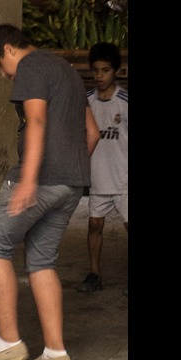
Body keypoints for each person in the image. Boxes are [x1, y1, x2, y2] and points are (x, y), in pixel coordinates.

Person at [0, 24, 99, 360]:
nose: (2, 73)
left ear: (11, 49)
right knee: (42, 260)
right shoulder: (67, 71)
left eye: (0, 63)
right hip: (72, 183)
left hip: (40, 179)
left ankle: (8, 343)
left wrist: (29, 180)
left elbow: (37, 120)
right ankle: (56, 352)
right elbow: (93, 132)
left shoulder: (30, 67)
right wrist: (71, 171)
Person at [76, 42, 128, 294]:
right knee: (94, 225)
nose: (99, 76)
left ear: (116, 71)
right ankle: (94, 274)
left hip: (124, 179)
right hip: (98, 179)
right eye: (95, 70)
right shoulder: (86, 101)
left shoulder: (125, 102)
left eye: (105, 70)